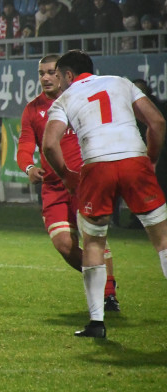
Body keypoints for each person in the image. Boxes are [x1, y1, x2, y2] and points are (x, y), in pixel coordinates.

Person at [42, 50, 167, 339]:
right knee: (162, 239)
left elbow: (50, 145)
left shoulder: (65, 99)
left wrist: (66, 176)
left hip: (97, 166)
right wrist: (151, 158)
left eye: (59, 76)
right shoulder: (121, 82)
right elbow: (157, 122)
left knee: (94, 242)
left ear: (69, 76)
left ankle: (97, 323)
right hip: (134, 161)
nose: (57, 83)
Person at [16, 56, 119, 311]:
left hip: (84, 183)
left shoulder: (81, 100)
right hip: (53, 187)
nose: (45, 78)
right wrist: (28, 167)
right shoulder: (33, 109)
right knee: (64, 245)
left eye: (51, 72)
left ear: (63, 75)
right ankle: (103, 281)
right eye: (41, 73)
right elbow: (25, 146)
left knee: (95, 240)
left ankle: (107, 294)